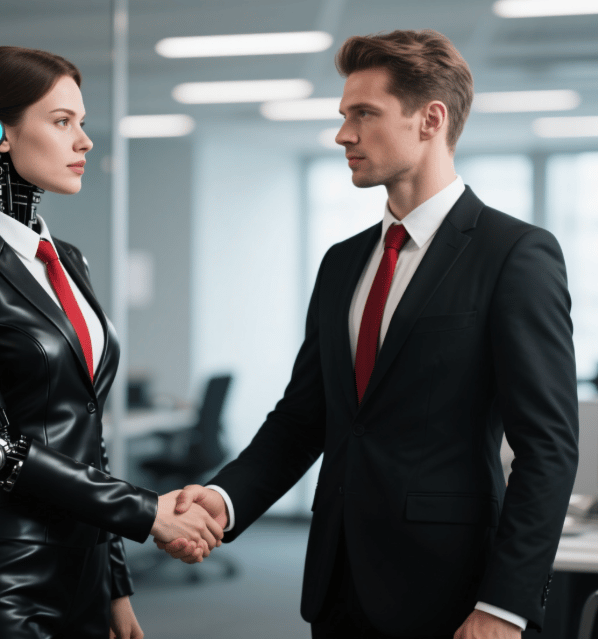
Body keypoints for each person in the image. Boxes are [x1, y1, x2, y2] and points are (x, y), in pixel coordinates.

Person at [158, 29, 578, 639]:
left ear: (430, 119)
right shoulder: (342, 262)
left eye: (364, 114)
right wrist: (223, 501)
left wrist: (505, 606)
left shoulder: (514, 254)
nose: (343, 134)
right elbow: (304, 418)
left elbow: (548, 449)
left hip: (455, 592)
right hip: (338, 584)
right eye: (343, 115)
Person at [0, 46, 223, 639]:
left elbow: (85, 441)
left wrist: (114, 584)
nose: (85, 142)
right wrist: (146, 514)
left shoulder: (66, 261)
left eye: (83, 122)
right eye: (62, 121)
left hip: (84, 578)